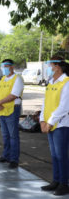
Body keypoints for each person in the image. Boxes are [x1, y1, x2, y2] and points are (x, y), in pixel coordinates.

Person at [39, 56, 69, 196]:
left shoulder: (67, 82)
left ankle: (64, 183)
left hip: (61, 124)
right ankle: (56, 180)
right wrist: (42, 120)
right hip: (49, 123)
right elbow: (45, 103)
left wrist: (49, 122)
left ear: (57, 67)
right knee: (54, 155)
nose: (49, 69)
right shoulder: (51, 82)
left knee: (61, 155)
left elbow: (64, 107)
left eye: (50, 65)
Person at [0, 59, 24, 169]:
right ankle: (6, 156)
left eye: (7, 66)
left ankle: (14, 159)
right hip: (1, 109)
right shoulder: (3, 79)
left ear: (12, 67)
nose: (5, 68)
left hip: (12, 109)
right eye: (3, 66)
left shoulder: (17, 79)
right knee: (5, 135)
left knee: (13, 135)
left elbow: (13, 95)